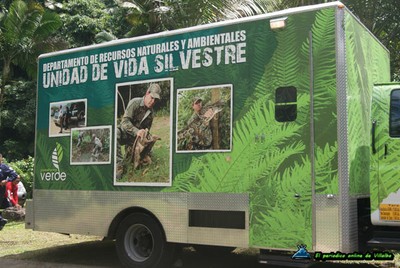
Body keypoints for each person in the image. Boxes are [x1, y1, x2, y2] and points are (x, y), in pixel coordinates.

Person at [116, 83, 161, 178]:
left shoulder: (151, 113)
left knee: (142, 160)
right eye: (152, 97)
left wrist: (147, 139)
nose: (153, 102)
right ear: (147, 93)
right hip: (125, 133)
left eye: (155, 100)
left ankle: (135, 154)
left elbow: (147, 130)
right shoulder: (135, 102)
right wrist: (136, 131)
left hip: (135, 139)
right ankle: (118, 165)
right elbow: (124, 122)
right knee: (115, 133)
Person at [0, 153, 19, 230]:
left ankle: (1, 220)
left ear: (1, 158)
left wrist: (7, 180)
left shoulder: (4, 167)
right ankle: (1, 221)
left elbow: (14, 175)